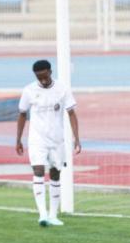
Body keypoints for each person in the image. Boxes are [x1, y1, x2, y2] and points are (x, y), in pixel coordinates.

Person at [16, 59, 81, 227]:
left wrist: (76, 138)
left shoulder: (62, 89)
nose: (43, 80)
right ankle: (42, 214)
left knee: (55, 173)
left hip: (57, 139)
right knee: (38, 170)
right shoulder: (29, 90)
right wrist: (18, 139)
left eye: (44, 76)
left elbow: (71, 113)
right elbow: (22, 114)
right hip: (37, 139)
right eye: (39, 78)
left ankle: (53, 214)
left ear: (50, 72)